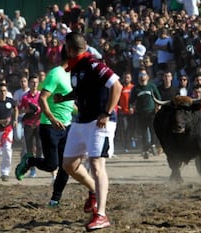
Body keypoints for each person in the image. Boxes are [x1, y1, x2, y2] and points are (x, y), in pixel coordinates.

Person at [54, 32, 122, 231]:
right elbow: (81, 90)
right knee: (68, 164)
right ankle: (93, 191)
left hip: (100, 122)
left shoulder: (94, 64)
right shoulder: (76, 67)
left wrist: (106, 113)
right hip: (82, 120)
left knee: (96, 164)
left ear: (71, 49)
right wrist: (64, 98)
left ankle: (101, 214)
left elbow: (117, 85)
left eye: (66, 48)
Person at [15, 47, 74, 207]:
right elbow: (42, 99)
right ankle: (29, 161)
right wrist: (52, 118)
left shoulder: (70, 76)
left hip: (66, 127)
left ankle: (55, 199)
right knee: (52, 164)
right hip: (49, 126)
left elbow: (68, 101)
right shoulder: (56, 74)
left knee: (66, 166)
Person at [129, 68, 161, 159]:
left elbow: (158, 97)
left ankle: (153, 145)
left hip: (151, 113)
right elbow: (131, 100)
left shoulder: (151, 86)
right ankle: (145, 149)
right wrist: (131, 107)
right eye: (140, 76)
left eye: (143, 75)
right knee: (143, 133)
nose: (142, 78)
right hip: (140, 113)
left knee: (153, 130)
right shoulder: (135, 88)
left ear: (147, 76)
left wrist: (158, 106)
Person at [17, 75, 42, 178]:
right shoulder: (25, 97)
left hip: (39, 124)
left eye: (36, 82)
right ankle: (32, 170)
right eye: (33, 82)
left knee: (40, 147)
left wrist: (38, 109)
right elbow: (19, 110)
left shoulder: (41, 95)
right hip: (28, 124)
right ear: (29, 83)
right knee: (30, 148)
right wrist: (26, 110)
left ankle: (36, 164)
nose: (35, 84)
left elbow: (45, 108)